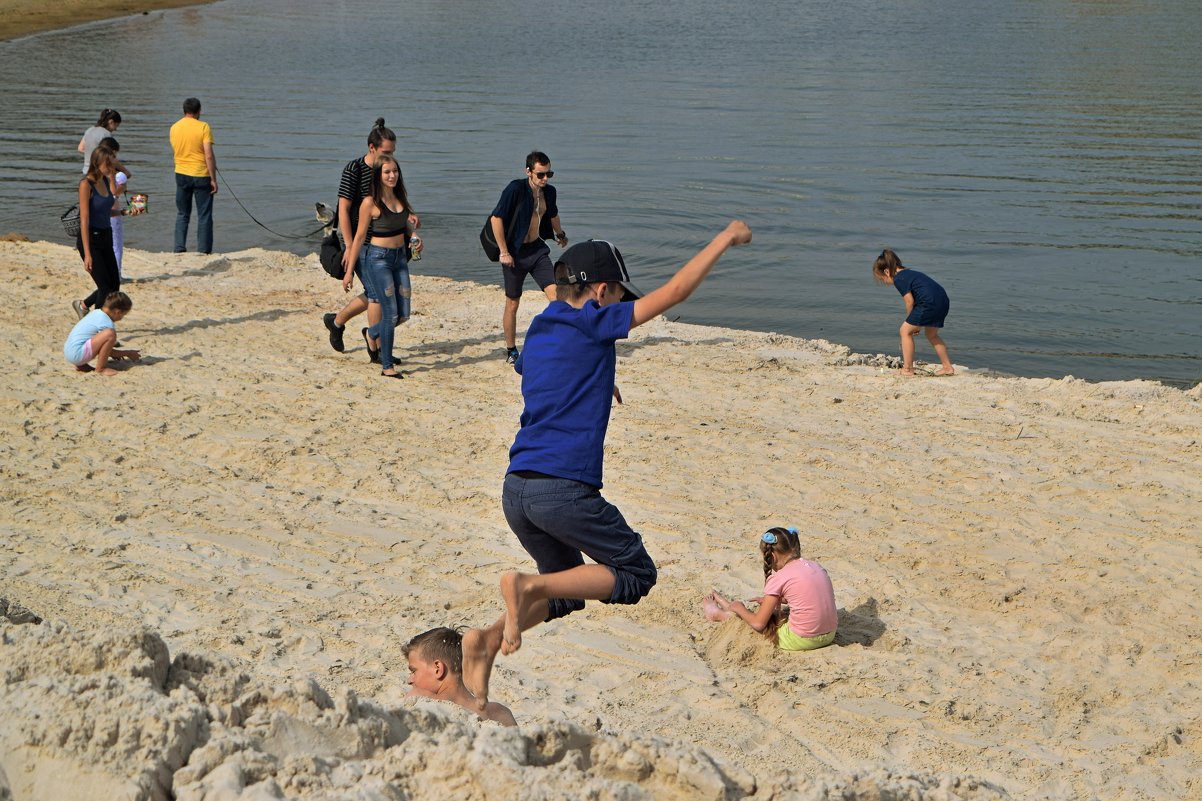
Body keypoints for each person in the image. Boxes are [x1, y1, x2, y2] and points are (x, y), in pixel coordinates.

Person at [461, 221, 753, 708]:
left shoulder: (542, 327)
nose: (620, 304)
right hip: (562, 490)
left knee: (568, 593)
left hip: (517, 491)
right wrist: (725, 238)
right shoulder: (595, 321)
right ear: (600, 291)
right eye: (618, 295)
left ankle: (488, 639)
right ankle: (525, 583)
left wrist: (597, 381)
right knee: (635, 572)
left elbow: (540, 370)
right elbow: (676, 291)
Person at [322, 119, 418, 353]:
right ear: (372, 148)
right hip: (362, 242)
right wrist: (348, 245)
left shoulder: (388, 170)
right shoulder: (354, 169)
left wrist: (409, 218)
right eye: (386, 152)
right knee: (376, 295)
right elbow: (343, 210)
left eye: (393, 152)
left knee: (379, 292)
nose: (391, 157)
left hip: (388, 241)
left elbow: (395, 199)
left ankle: (338, 322)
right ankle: (375, 346)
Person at [489, 151, 569, 364]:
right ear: (528, 172)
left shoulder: (549, 192)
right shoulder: (515, 189)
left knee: (557, 295)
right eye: (540, 175)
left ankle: (557, 342)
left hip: (536, 250)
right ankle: (511, 350)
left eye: (548, 174)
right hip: (514, 253)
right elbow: (496, 219)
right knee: (513, 303)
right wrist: (503, 252)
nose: (545, 179)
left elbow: (552, 214)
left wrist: (560, 234)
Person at [343, 154, 418, 379]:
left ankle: (372, 334)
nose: (392, 175)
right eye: (387, 172)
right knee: (390, 313)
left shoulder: (400, 197)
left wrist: (414, 235)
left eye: (395, 171)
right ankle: (387, 366)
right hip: (378, 259)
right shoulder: (370, 203)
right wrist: (348, 273)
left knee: (403, 314)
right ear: (378, 175)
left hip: (400, 259)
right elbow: (358, 238)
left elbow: (403, 224)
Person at [704, 526, 838, 652]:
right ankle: (729, 607)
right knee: (779, 615)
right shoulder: (815, 566)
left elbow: (758, 624)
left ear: (772, 556)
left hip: (802, 640)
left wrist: (740, 607)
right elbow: (808, 596)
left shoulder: (779, 577)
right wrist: (781, 600)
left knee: (760, 627)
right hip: (829, 635)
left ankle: (721, 614)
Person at [404, 627, 516, 727]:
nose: (410, 680)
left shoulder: (420, 700)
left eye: (414, 671)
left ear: (437, 668)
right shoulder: (500, 712)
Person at [872, 248, 954, 376]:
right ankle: (947, 367)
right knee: (931, 335)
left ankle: (908, 369)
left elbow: (909, 301)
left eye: (882, 279)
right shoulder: (910, 274)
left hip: (929, 303)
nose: (885, 283)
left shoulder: (899, 279)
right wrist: (915, 324)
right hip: (942, 301)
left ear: (887, 271)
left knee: (904, 331)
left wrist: (910, 320)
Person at [71, 146, 121, 319]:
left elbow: (105, 211)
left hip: (106, 237)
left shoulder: (106, 181)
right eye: (108, 162)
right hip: (90, 240)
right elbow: (84, 220)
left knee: (114, 285)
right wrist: (87, 254)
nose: (111, 165)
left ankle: (83, 305)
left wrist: (124, 212)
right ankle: (96, 328)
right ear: (97, 162)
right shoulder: (86, 184)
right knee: (106, 289)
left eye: (112, 161)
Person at [169, 97, 217, 254]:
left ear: (184, 110)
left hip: (181, 173)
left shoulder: (174, 127)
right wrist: (213, 179)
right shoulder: (203, 127)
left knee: (182, 213)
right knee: (204, 215)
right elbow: (208, 155)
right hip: (201, 174)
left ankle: (179, 248)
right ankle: (203, 250)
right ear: (199, 111)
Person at [63, 291, 140, 376]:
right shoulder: (106, 322)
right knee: (110, 334)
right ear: (118, 312)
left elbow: (101, 345)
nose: (122, 318)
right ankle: (101, 369)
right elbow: (109, 351)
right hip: (77, 355)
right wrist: (128, 353)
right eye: (123, 315)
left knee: (86, 336)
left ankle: (81, 365)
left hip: (69, 352)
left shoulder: (96, 313)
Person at [98, 136, 136, 279]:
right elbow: (117, 190)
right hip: (113, 213)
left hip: (99, 214)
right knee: (116, 246)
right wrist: (117, 166)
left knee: (104, 246)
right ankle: (117, 274)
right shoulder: (118, 176)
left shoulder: (96, 174)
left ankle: (106, 273)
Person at [78, 108, 121, 174]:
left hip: (86, 170)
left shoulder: (90, 130)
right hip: (100, 173)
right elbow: (110, 157)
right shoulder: (107, 135)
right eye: (116, 125)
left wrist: (92, 155)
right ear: (111, 122)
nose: (116, 129)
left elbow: (80, 148)